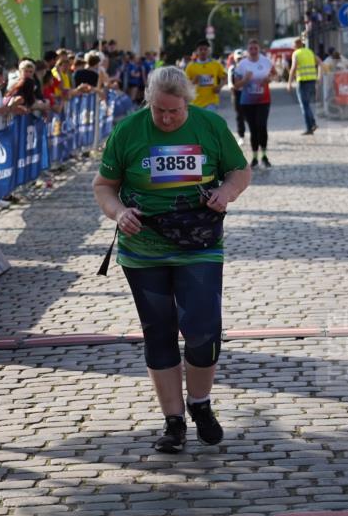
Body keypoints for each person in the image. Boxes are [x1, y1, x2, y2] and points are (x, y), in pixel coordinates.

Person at [93, 66, 251, 453]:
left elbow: (239, 171)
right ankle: (174, 421)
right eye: (159, 111)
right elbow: (104, 186)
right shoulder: (128, 131)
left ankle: (200, 403)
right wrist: (119, 213)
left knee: (202, 330)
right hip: (143, 249)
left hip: (199, 244)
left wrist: (226, 193)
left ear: (187, 105)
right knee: (159, 332)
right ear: (148, 102)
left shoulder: (209, 126)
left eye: (174, 112)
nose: (166, 119)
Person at [233, 39, 277, 166]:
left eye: (255, 48)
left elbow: (275, 74)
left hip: (264, 100)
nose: (253, 51)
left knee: (262, 126)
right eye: (251, 49)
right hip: (247, 102)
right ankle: (254, 157)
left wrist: (269, 79)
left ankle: (264, 156)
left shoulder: (266, 61)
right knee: (253, 129)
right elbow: (236, 85)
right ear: (247, 50)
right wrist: (245, 80)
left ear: (259, 49)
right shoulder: (242, 64)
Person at [287, 36, 321, 135]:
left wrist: (289, 83)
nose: (292, 46)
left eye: (293, 44)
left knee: (304, 105)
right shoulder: (309, 51)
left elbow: (293, 68)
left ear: (296, 45)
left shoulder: (296, 53)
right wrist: (319, 76)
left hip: (302, 81)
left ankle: (309, 127)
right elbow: (319, 62)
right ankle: (313, 123)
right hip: (312, 80)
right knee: (307, 104)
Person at [185, 40, 227, 112]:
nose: (203, 51)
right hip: (196, 102)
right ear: (197, 51)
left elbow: (225, 77)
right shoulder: (190, 66)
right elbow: (184, 85)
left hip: (211, 102)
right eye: (200, 49)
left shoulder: (215, 64)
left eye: (205, 49)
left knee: (209, 118)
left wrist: (219, 86)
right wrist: (193, 82)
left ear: (209, 51)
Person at [227, 48, 246, 140]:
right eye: (238, 58)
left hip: (248, 94)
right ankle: (241, 135)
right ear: (234, 59)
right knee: (239, 115)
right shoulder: (232, 69)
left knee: (250, 115)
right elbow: (230, 82)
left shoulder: (248, 68)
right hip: (237, 93)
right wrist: (232, 87)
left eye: (241, 58)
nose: (240, 60)